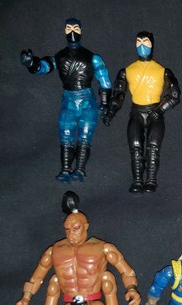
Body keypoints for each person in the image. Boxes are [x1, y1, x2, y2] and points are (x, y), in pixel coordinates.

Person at [20, 18, 112, 183]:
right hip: (69, 100)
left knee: (85, 136)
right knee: (65, 133)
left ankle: (80, 170)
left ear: (81, 30)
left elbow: (104, 80)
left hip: (86, 100)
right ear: (64, 31)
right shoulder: (60, 57)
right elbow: (44, 67)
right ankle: (65, 169)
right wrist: (32, 64)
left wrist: (105, 103)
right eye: (69, 28)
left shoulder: (92, 58)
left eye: (75, 28)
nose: (72, 31)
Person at [104, 31, 180, 193]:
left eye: (145, 41)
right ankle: (137, 180)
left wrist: (159, 110)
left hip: (155, 112)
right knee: (135, 147)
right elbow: (118, 95)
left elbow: (174, 95)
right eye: (139, 41)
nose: (142, 45)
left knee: (153, 148)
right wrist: (110, 112)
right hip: (136, 112)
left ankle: (151, 180)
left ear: (152, 44)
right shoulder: (127, 71)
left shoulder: (162, 71)